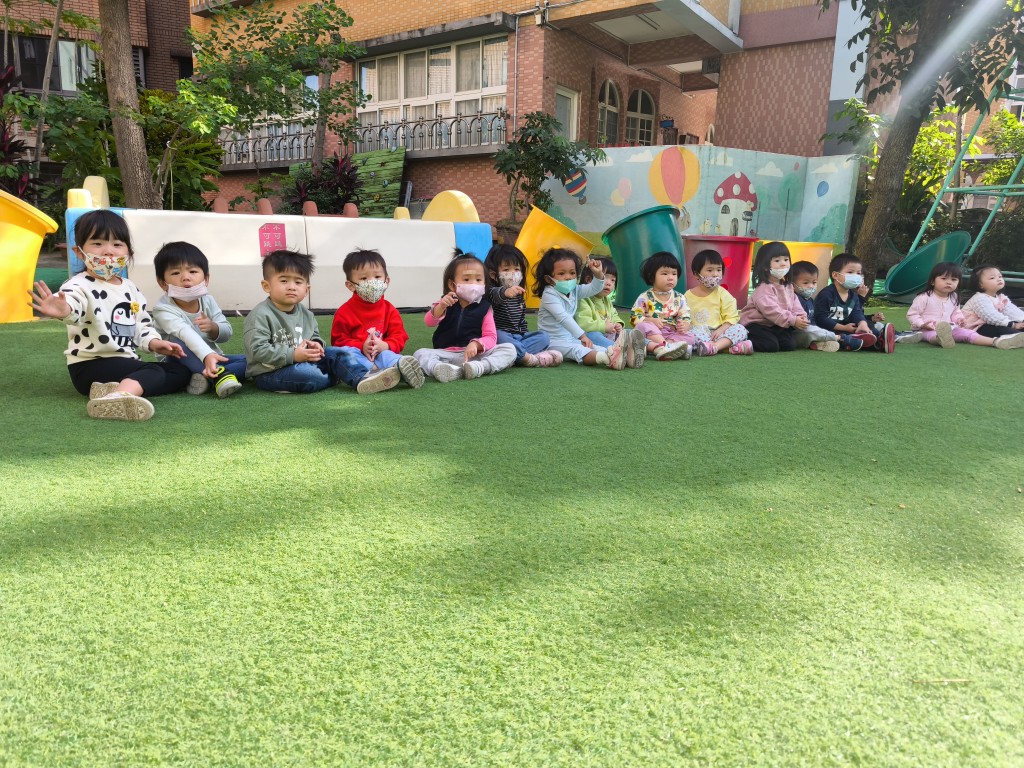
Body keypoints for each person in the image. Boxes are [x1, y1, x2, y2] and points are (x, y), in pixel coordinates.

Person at [29, 209, 189, 421]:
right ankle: (118, 397)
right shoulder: (78, 285)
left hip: (122, 364)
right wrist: (64, 310)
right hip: (90, 366)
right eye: (97, 243)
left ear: (128, 252)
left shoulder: (130, 288)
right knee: (154, 372)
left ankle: (111, 390)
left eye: (117, 244)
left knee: (180, 372)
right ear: (79, 252)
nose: (108, 251)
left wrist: (153, 343)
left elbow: (141, 325)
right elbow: (72, 305)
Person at [243, 249, 377, 393]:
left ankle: (363, 378)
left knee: (337, 353)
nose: (291, 287)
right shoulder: (260, 315)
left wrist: (316, 344)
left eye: (298, 282)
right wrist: (293, 355)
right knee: (310, 376)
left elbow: (314, 336)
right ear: (266, 286)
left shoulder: (306, 314)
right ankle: (335, 376)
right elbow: (258, 350)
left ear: (306, 290)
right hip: (270, 372)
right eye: (284, 281)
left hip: (304, 361)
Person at [151, 241, 245, 399]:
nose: (185, 278)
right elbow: (185, 333)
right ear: (162, 283)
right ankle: (219, 376)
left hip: (211, 357)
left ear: (206, 279)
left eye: (193, 271)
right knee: (177, 342)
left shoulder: (208, 300)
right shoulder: (162, 309)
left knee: (251, 361)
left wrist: (213, 328)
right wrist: (207, 356)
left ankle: (205, 377)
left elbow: (227, 333)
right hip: (178, 362)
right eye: (176, 273)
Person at [413, 250, 518, 382]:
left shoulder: (485, 307)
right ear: (452, 285)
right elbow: (429, 322)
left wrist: (476, 344)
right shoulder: (446, 302)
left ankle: (479, 368)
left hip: (474, 356)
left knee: (509, 349)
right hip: (446, 354)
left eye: (478, 280)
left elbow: (491, 337)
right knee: (420, 353)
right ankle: (440, 369)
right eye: (467, 279)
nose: (473, 284)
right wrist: (441, 306)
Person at [329, 248, 425, 389]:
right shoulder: (344, 312)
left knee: (388, 355)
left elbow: (399, 336)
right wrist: (361, 346)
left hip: (380, 353)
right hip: (359, 357)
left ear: (387, 280)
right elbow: (338, 341)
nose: (372, 282)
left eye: (377, 276)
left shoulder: (389, 309)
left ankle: (400, 367)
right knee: (347, 354)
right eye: (364, 278)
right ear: (350, 285)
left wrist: (386, 345)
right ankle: (374, 373)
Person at [535, 247, 643, 368]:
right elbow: (564, 318)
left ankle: (624, 356)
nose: (568, 277)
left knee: (595, 347)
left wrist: (598, 273)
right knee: (578, 349)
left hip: (570, 337)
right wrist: (582, 336)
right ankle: (609, 359)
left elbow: (594, 288)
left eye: (572, 273)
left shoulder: (574, 290)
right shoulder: (549, 294)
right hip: (552, 341)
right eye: (561, 273)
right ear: (548, 279)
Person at [482, 243, 561, 367]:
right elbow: (495, 294)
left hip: (518, 338)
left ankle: (512, 356)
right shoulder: (491, 292)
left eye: (517, 269)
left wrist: (524, 334)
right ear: (493, 275)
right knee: (499, 336)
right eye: (506, 270)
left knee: (544, 337)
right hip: (500, 338)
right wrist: (505, 292)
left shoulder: (519, 296)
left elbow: (521, 322)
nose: (513, 273)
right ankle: (527, 358)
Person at [907, 262, 1015, 349]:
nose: (949, 282)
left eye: (953, 280)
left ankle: (995, 341)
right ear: (932, 281)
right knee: (932, 335)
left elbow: (956, 312)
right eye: (944, 279)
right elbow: (912, 314)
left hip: (951, 328)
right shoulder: (924, 297)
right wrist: (922, 324)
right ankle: (941, 339)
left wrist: (960, 319)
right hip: (926, 329)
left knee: (968, 334)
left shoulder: (954, 297)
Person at [814, 252, 895, 353]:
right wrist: (844, 328)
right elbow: (820, 318)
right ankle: (877, 344)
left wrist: (862, 324)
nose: (856, 276)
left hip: (845, 328)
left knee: (869, 329)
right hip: (826, 329)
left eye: (858, 273)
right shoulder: (827, 294)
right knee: (845, 337)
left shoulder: (853, 296)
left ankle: (879, 340)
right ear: (835, 275)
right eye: (850, 272)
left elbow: (857, 312)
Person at [738, 241, 807, 353]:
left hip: (775, 324)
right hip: (756, 324)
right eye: (777, 260)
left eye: (786, 259)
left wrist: (801, 317)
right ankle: (742, 339)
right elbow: (771, 311)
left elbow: (795, 304)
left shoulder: (788, 286)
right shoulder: (764, 288)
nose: (783, 264)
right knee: (770, 346)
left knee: (789, 345)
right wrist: (793, 320)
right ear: (765, 266)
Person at [683, 248, 753, 356]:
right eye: (710, 270)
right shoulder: (688, 295)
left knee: (740, 329)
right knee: (689, 335)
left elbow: (732, 317)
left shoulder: (723, 294)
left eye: (719, 270)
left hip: (720, 332)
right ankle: (729, 348)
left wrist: (720, 330)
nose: (715, 274)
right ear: (696, 274)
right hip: (699, 333)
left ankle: (714, 347)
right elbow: (683, 316)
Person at [629, 251, 693, 360]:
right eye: (665, 273)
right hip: (652, 333)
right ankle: (668, 347)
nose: (670, 277)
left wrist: (685, 324)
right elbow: (634, 318)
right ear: (651, 276)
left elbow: (685, 315)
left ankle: (666, 346)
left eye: (674, 273)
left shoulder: (679, 297)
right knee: (642, 327)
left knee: (691, 336)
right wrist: (650, 320)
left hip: (671, 333)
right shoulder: (645, 297)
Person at [960, 264, 1024, 347]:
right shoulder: (979, 298)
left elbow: (1013, 311)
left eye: (1000, 276)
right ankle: (1015, 337)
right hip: (976, 328)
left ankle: (1017, 336)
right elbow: (991, 317)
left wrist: (1022, 320)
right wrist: (1013, 325)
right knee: (1000, 329)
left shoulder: (1001, 298)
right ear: (980, 284)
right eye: (992, 278)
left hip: (995, 323)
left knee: (1017, 325)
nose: (998, 279)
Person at [788, 260, 841, 352]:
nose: (811, 286)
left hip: (809, 330)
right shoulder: (793, 299)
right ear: (792, 285)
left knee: (815, 331)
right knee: (810, 333)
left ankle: (817, 344)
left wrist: (816, 329)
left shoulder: (810, 300)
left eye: (814, 282)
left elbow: (812, 320)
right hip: (795, 333)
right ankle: (842, 339)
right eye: (805, 283)